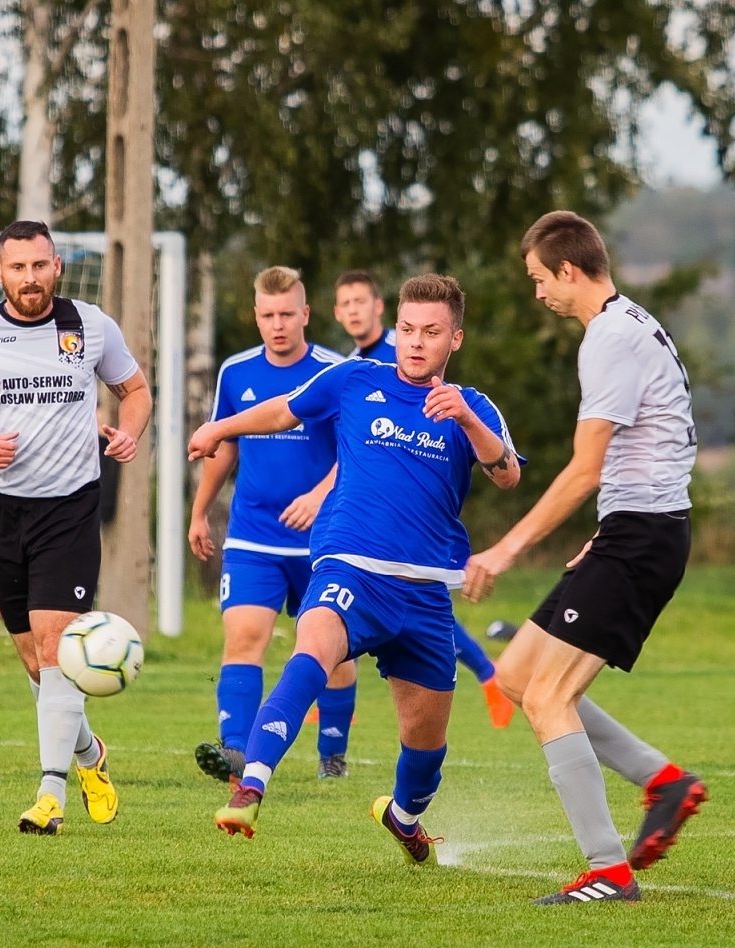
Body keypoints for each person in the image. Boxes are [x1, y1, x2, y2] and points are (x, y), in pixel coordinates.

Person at [189, 274, 521, 861]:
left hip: (424, 593)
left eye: (432, 332)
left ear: (455, 338)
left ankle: (404, 816)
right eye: (408, 329)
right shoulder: (354, 379)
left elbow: (508, 474)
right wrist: (220, 426)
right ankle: (251, 784)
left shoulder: (473, 405)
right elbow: (284, 411)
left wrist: (467, 420)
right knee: (312, 651)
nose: (415, 342)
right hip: (349, 567)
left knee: (425, 749)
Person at [463, 210, 707, 905]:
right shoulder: (630, 323)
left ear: (569, 270)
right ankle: (664, 783)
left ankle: (608, 871)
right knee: (517, 676)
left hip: (642, 538)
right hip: (634, 530)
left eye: (540, 278)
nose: (538, 292)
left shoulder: (608, 338)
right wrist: (612, 526)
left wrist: (506, 549)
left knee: (549, 697)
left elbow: (584, 470)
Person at [0, 219, 152, 835]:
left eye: (40, 266)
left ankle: (50, 797)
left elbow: (135, 389)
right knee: (35, 662)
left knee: (56, 652)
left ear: (57, 267)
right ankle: (90, 754)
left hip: (69, 509)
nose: (30, 278)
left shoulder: (90, 325)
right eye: (18, 268)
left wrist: (130, 432)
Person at [189, 267, 360, 783]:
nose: (278, 325)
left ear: (305, 314)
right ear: (256, 316)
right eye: (268, 315)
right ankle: (237, 753)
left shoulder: (335, 371)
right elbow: (224, 446)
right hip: (253, 535)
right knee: (244, 637)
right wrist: (200, 511)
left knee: (332, 651)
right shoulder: (235, 372)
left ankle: (332, 756)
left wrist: (318, 495)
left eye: (287, 314)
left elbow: (358, 451)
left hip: (324, 538)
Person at [333, 270, 517, 729]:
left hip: (414, 537)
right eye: (346, 303)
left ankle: (488, 675)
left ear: (378, 309)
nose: (354, 311)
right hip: (352, 525)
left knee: (416, 602)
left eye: (360, 301)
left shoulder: (401, 361)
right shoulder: (353, 368)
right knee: (330, 618)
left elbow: (506, 472)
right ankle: (321, 708)